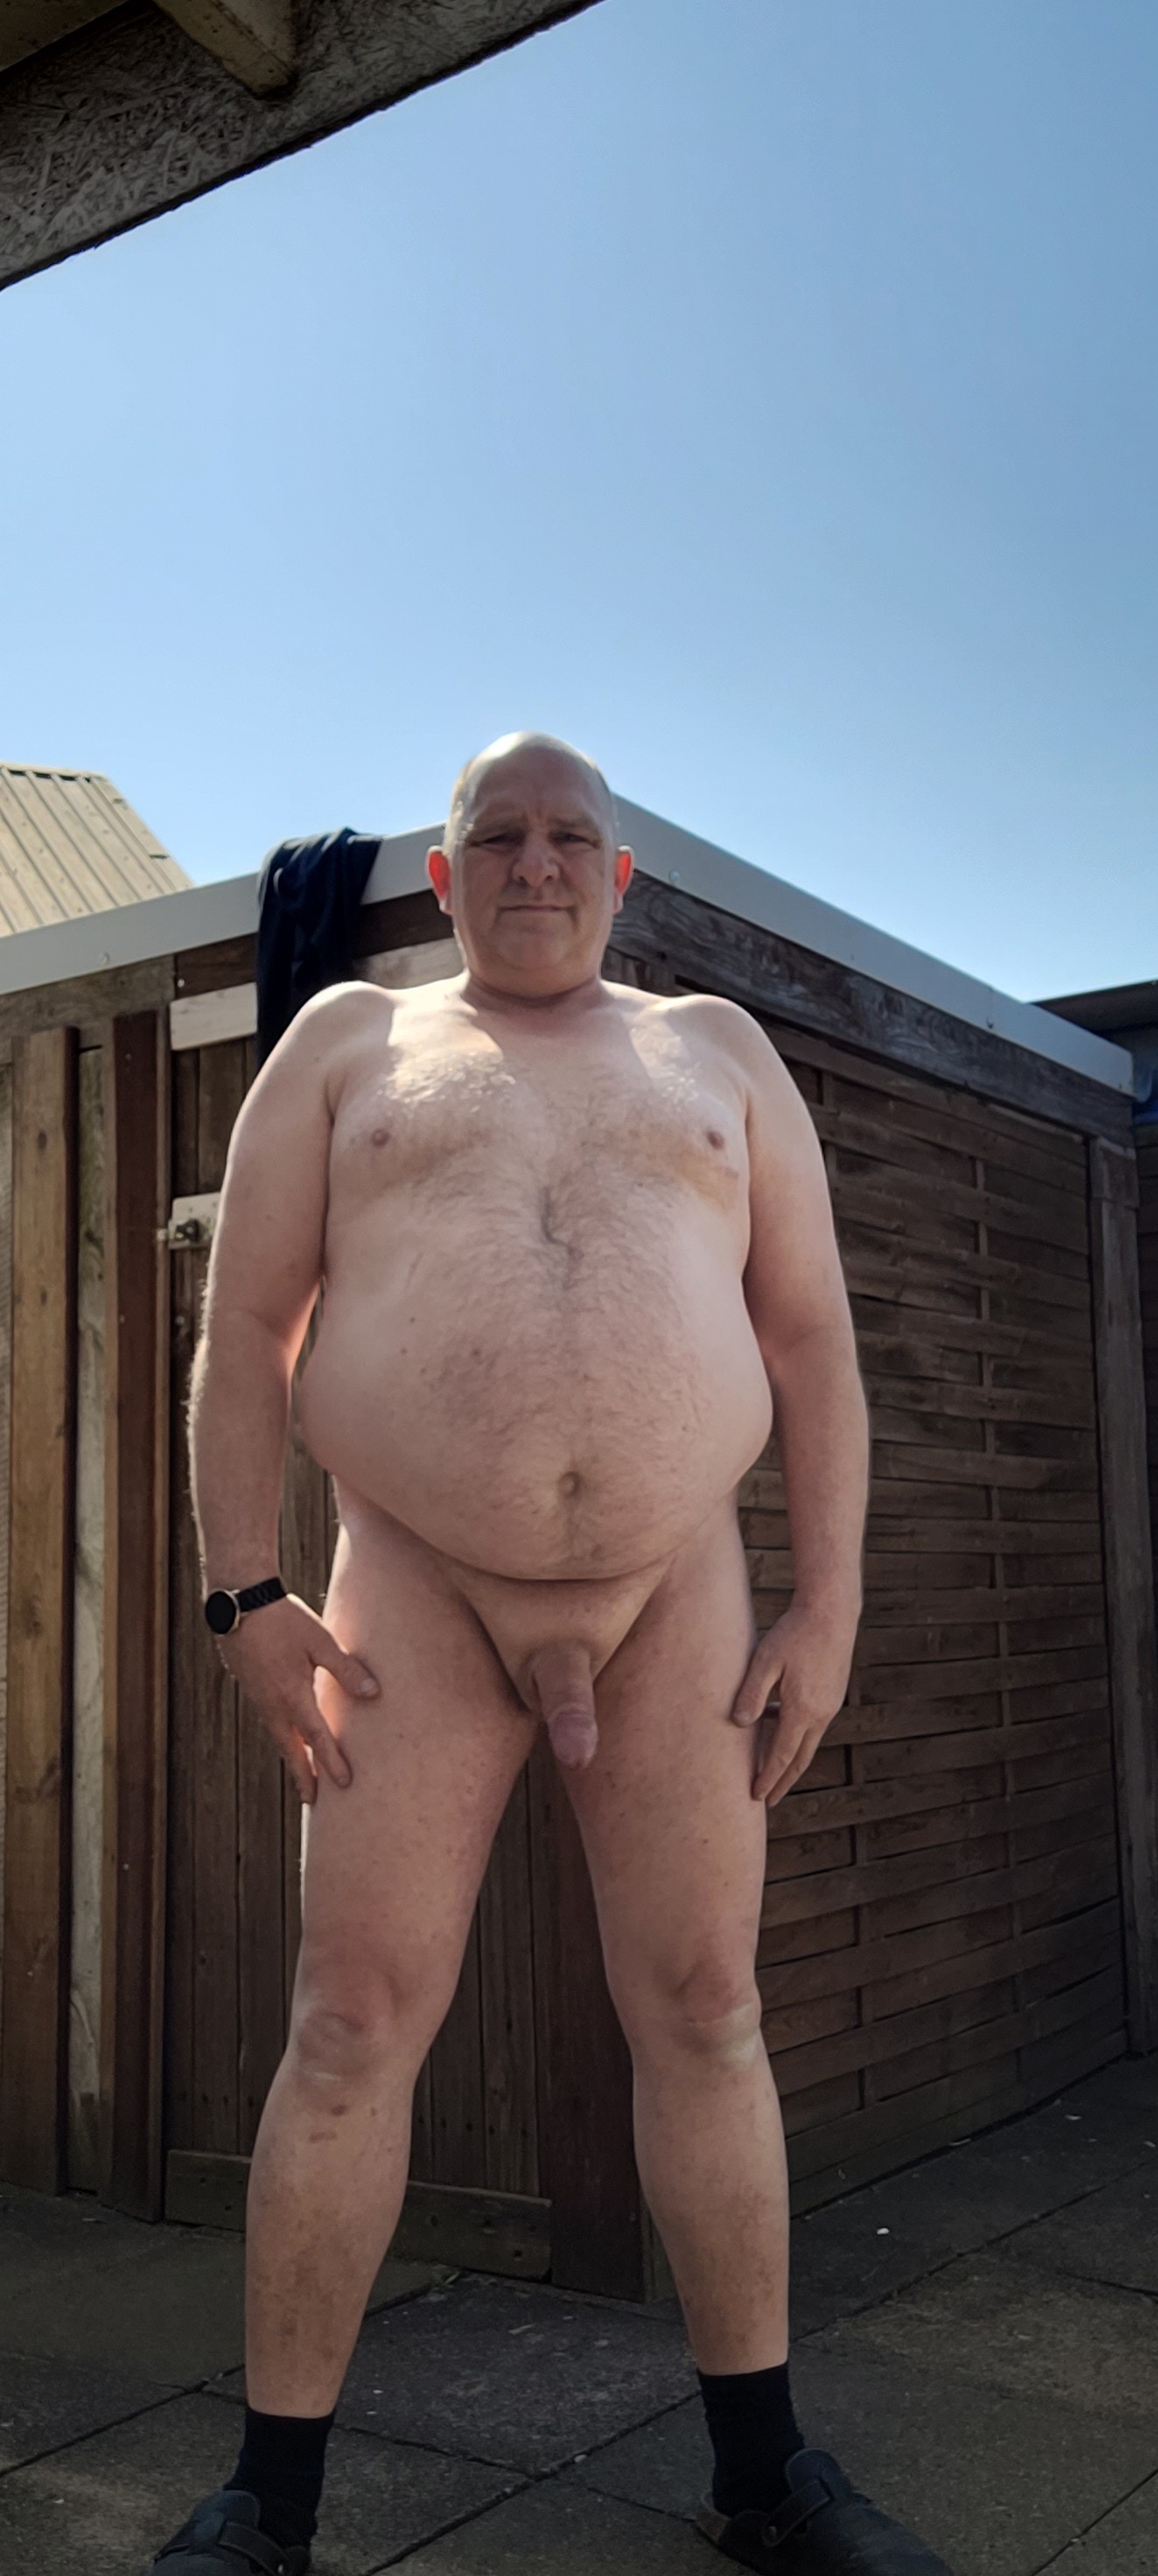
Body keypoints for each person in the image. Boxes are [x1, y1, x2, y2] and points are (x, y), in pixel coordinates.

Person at [149, 734, 952, 2576]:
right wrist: (243, 1593)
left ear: (619, 876)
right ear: (442, 877)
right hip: (411, 1590)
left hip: (682, 1595)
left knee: (707, 2006)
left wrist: (828, 1607)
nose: (536, 862)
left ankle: (764, 2473)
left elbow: (812, 1340)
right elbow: (245, 1322)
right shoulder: (348, 1039)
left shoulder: (716, 1051)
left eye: (570, 837)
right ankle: (267, 2502)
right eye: (497, 836)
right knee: (350, 2022)